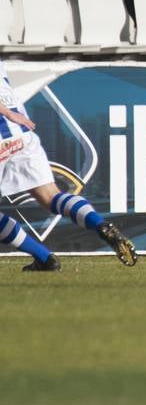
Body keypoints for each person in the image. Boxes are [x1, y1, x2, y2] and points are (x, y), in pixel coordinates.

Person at [0, 57, 138, 271]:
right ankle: (100, 225)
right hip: (22, 134)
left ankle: (45, 258)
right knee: (51, 197)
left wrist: (7, 112)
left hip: (5, 131)